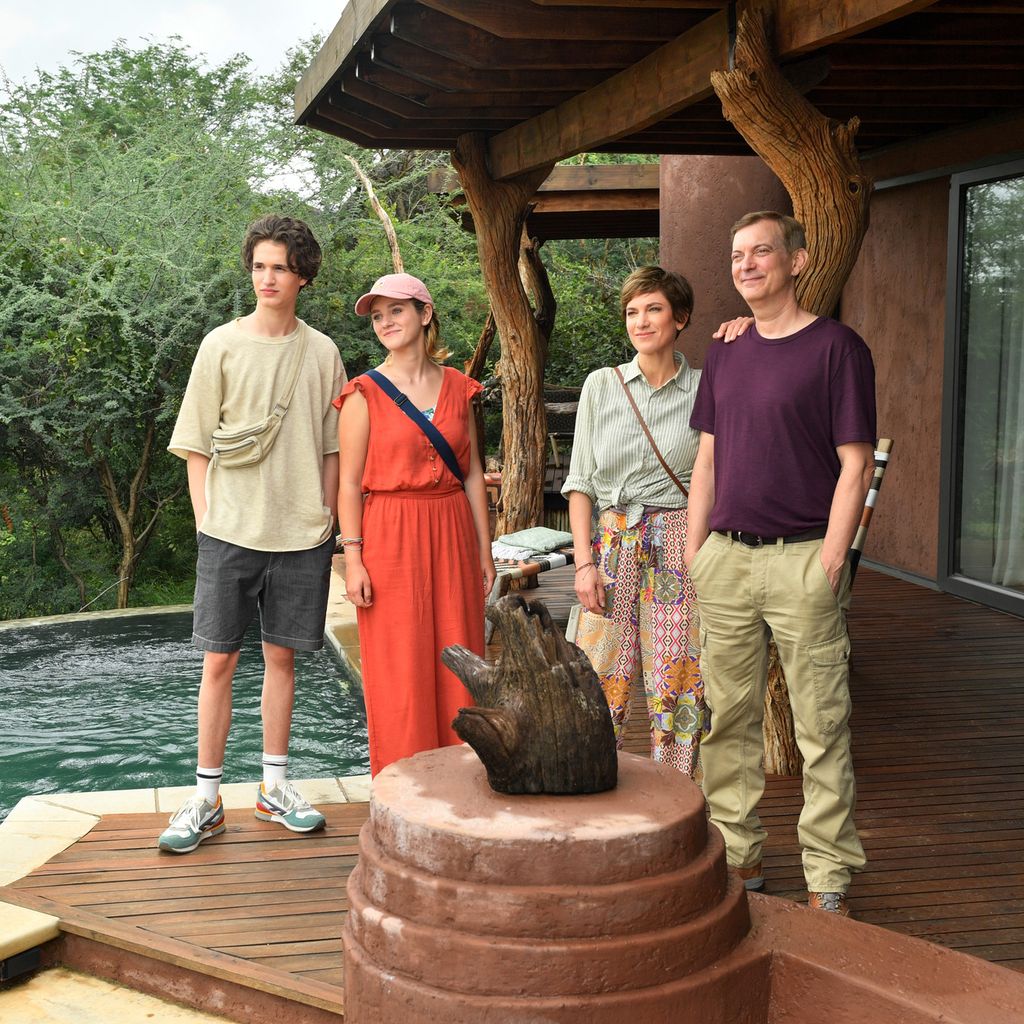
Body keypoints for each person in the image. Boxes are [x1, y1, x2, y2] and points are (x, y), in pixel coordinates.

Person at [684, 211, 876, 917]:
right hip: (727, 562)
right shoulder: (727, 351)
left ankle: (828, 874)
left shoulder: (838, 350)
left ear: (796, 262)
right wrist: (696, 548)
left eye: (762, 251)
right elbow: (708, 457)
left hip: (803, 563)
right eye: (737, 255)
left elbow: (855, 466)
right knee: (726, 721)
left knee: (822, 725)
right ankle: (739, 857)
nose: (747, 264)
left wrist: (830, 562)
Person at [160, 215, 345, 853]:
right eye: (260, 265)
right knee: (219, 660)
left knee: (282, 660)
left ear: (302, 277)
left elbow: (331, 448)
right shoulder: (220, 345)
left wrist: (325, 519)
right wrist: (206, 519)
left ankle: (273, 787)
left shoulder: (323, 353)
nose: (268, 277)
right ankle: (206, 798)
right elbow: (193, 444)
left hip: (302, 534)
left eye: (281, 268)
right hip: (230, 530)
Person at [563, 266, 749, 776]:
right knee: (600, 680)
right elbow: (579, 482)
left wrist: (746, 327)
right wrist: (584, 565)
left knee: (678, 680)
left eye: (654, 309)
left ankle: (674, 799)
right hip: (612, 541)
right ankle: (595, 795)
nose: (640, 321)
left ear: (680, 317)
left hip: (680, 539)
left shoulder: (707, 386)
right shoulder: (602, 385)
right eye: (631, 311)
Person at [336, 273, 495, 776]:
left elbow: (471, 474)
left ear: (425, 314)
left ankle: (464, 781)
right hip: (390, 535)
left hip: (451, 528)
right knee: (398, 668)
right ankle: (403, 790)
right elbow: (348, 485)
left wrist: (484, 553)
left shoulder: (459, 388)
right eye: (377, 315)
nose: (385, 322)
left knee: (459, 658)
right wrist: (354, 560)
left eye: (396, 311)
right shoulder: (362, 393)